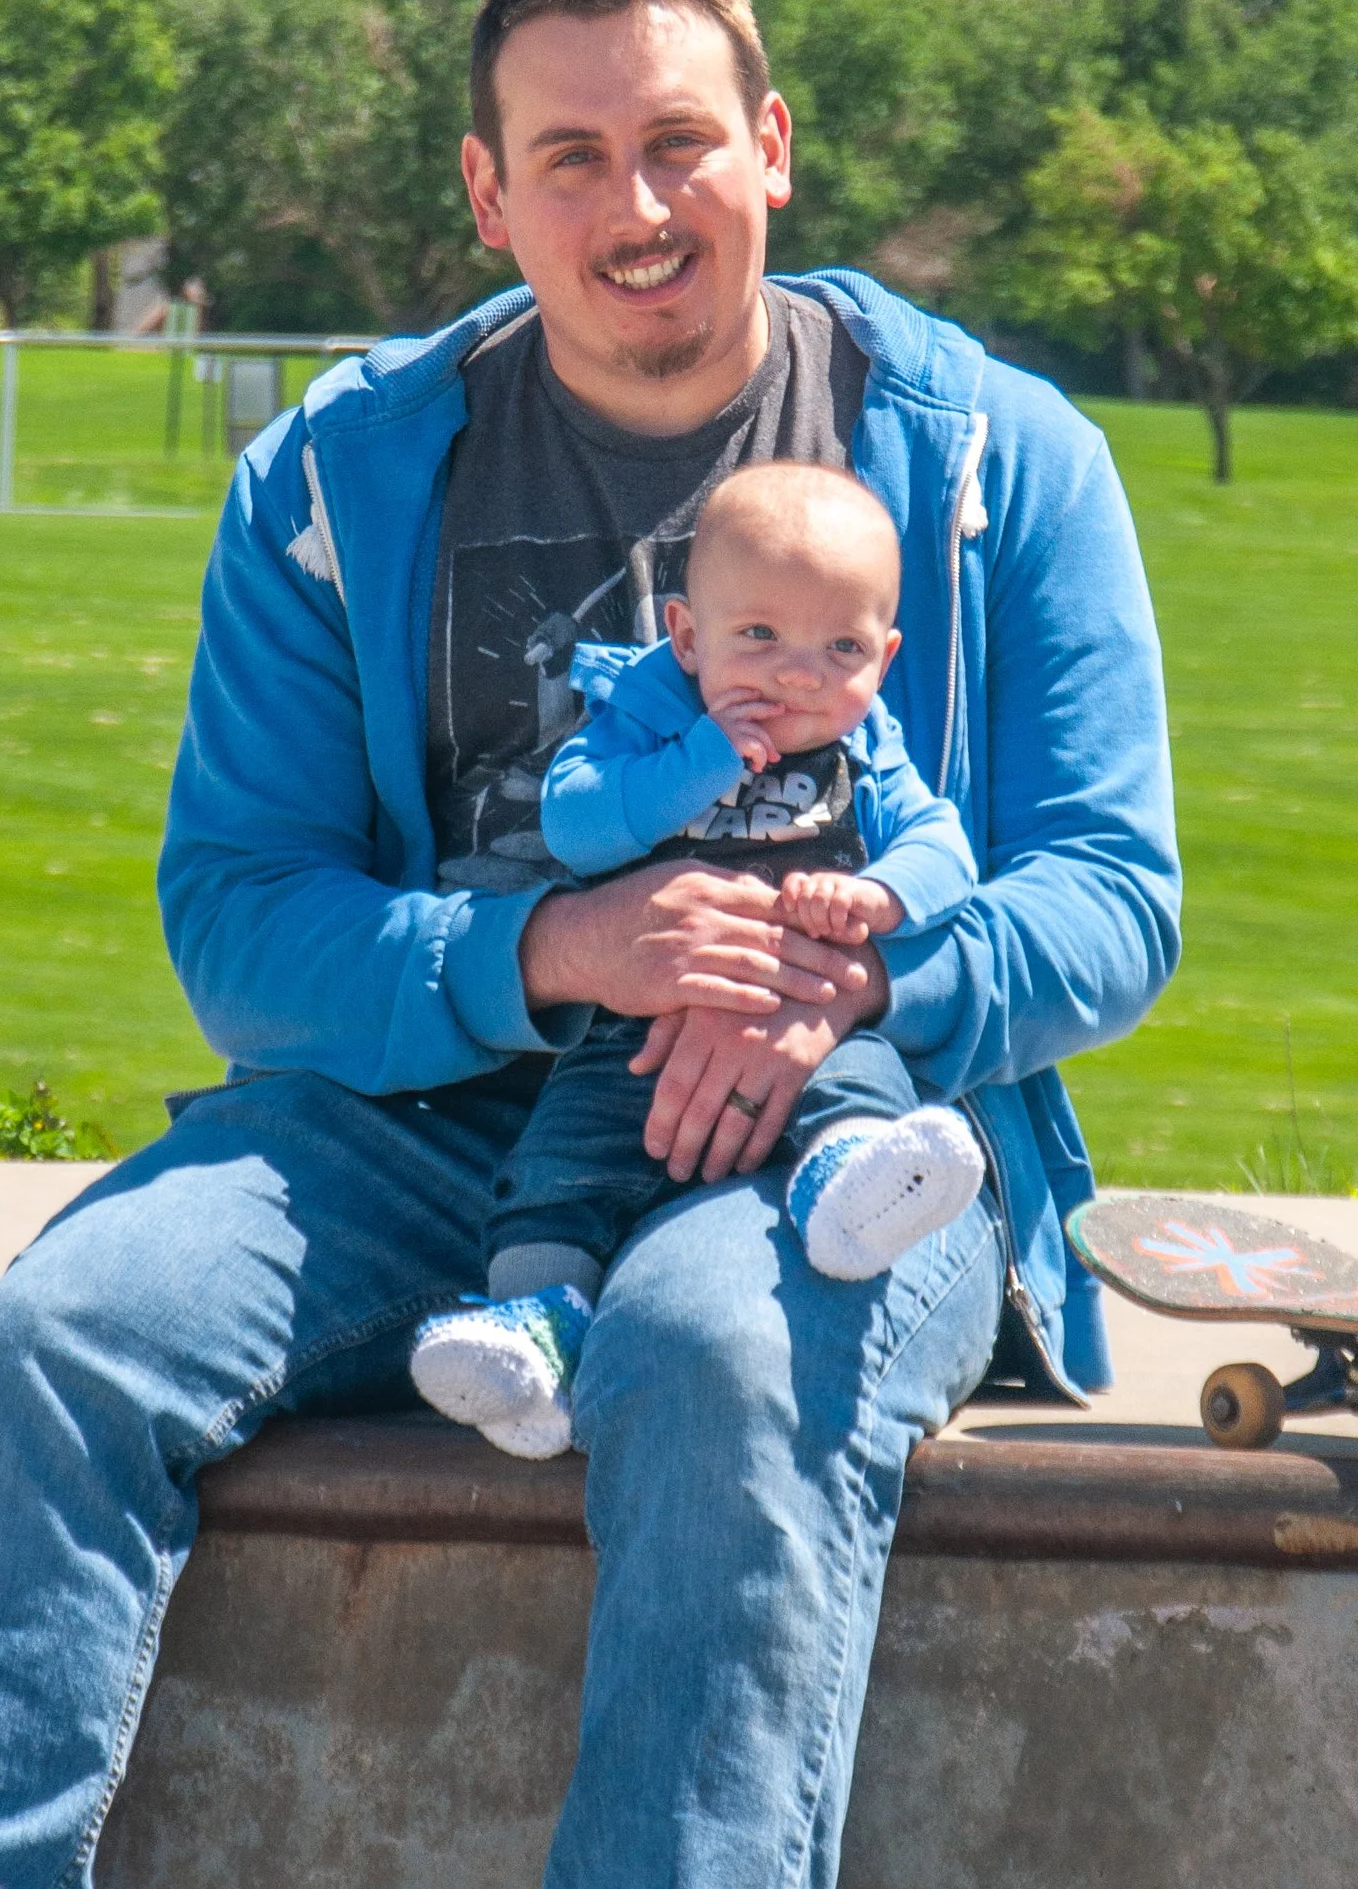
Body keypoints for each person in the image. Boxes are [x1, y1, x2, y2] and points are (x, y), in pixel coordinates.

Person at [0, 0, 1181, 1889]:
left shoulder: (994, 459)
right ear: (489, 194)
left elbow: (1113, 890)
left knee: (711, 1346)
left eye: (679, 143)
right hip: (424, 1110)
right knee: (71, 1328)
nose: (635, 207)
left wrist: (849, 981)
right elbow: (242, 915)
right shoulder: (345, 472)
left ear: (771, 147)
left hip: (849, 1120)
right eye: (569, 157)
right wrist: (553, 952)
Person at [408, 458, 987, 1460]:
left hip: (808, 1025)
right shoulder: (646, 712)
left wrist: (880, 896)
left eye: (842, 647)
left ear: (884, 656)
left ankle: (845, 1185)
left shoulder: (864, 742)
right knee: (559, 1164)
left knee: (861, 1080)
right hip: (632, 1033)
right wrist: (703, 758)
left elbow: (945, 847)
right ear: (685, 635)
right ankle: (535, 1331)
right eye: (759, 636)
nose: (798, 675)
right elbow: (579, 822)